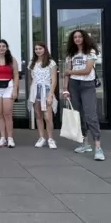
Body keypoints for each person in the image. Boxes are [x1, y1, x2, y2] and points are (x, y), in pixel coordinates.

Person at [63, 30, 105, 161]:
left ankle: (98, 146)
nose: (77, 39)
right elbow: (66, 73)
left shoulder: (90, 51)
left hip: (87, 85)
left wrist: (71, 71)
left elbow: (87, 70)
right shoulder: (71, 54)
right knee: (78, 115)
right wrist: (65, 88)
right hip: (74, 86)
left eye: (80, 36)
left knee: (90, 115)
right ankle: (85, 143)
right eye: (75, 37)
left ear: (84, 37)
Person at [0, 39, 19, 148]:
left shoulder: (12, 60)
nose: (1, 48)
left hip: (8, 87)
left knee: (8, 114)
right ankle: (2, 138)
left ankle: (10, 138)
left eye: (3, 46)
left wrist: (15, 89)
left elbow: (16, 75)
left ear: (6, 48)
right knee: (0, 114)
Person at [28, 42, 58, 149]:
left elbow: (54, 80)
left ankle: (50, 138)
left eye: (40, 48)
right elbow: (31, 79)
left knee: (48, 117)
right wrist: (33, 89)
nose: (38, 50)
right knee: (38, 115)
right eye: (36, 49)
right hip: (36, 90)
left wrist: (50, 95)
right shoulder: (32, 63)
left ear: (44, 49)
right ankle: (41, 137)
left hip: (46, 90)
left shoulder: (51, 63)